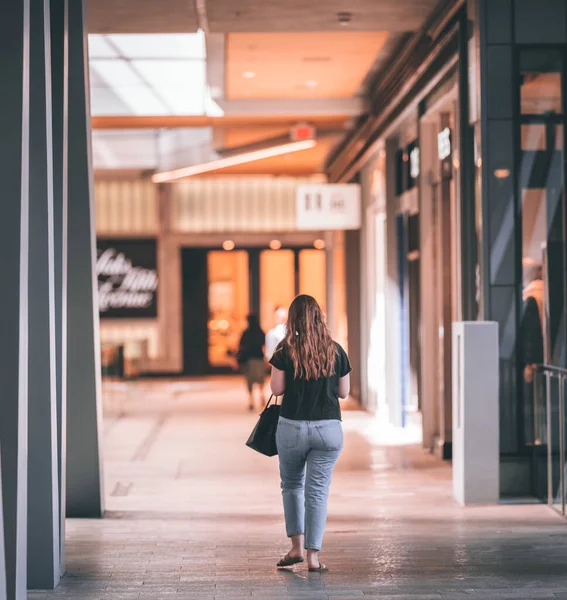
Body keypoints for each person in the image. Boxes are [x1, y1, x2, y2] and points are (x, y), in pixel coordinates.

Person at [269, 294, 351, 573]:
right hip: (327, 429)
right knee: (317, 492)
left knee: (292, 485)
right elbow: (344, 392)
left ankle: (295, 546)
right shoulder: (336, 350)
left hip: (292, 426)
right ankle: (312, 557)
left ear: (293, 319)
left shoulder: (284, 351)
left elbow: (276, 390)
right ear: (319, 317)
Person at [237, 314, 266, 411]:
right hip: (259, 358)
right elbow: (264, 344)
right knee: (260, 378)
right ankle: (261, 395)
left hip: (249, 359)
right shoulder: (260, 332)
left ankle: (251, 400)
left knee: (250, 380)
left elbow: (241, 346)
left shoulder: (246, 333)